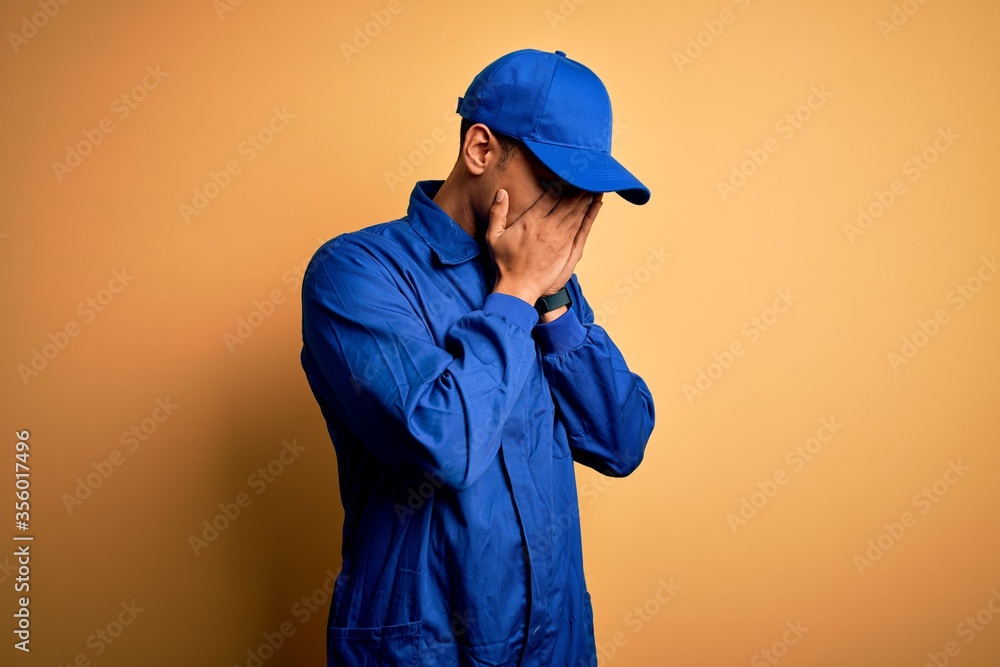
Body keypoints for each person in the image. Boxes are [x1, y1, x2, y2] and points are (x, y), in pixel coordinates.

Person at [300, 48, 655, 667]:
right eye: (551, 185)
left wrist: (552, 301)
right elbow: (443, 445)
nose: (562, 219)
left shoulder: (545, 288)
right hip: (422, 649)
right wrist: (515, 295)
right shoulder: (356, 273)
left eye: (583, 195)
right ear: (481, 150)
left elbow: (621, 443)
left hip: (556, 646)